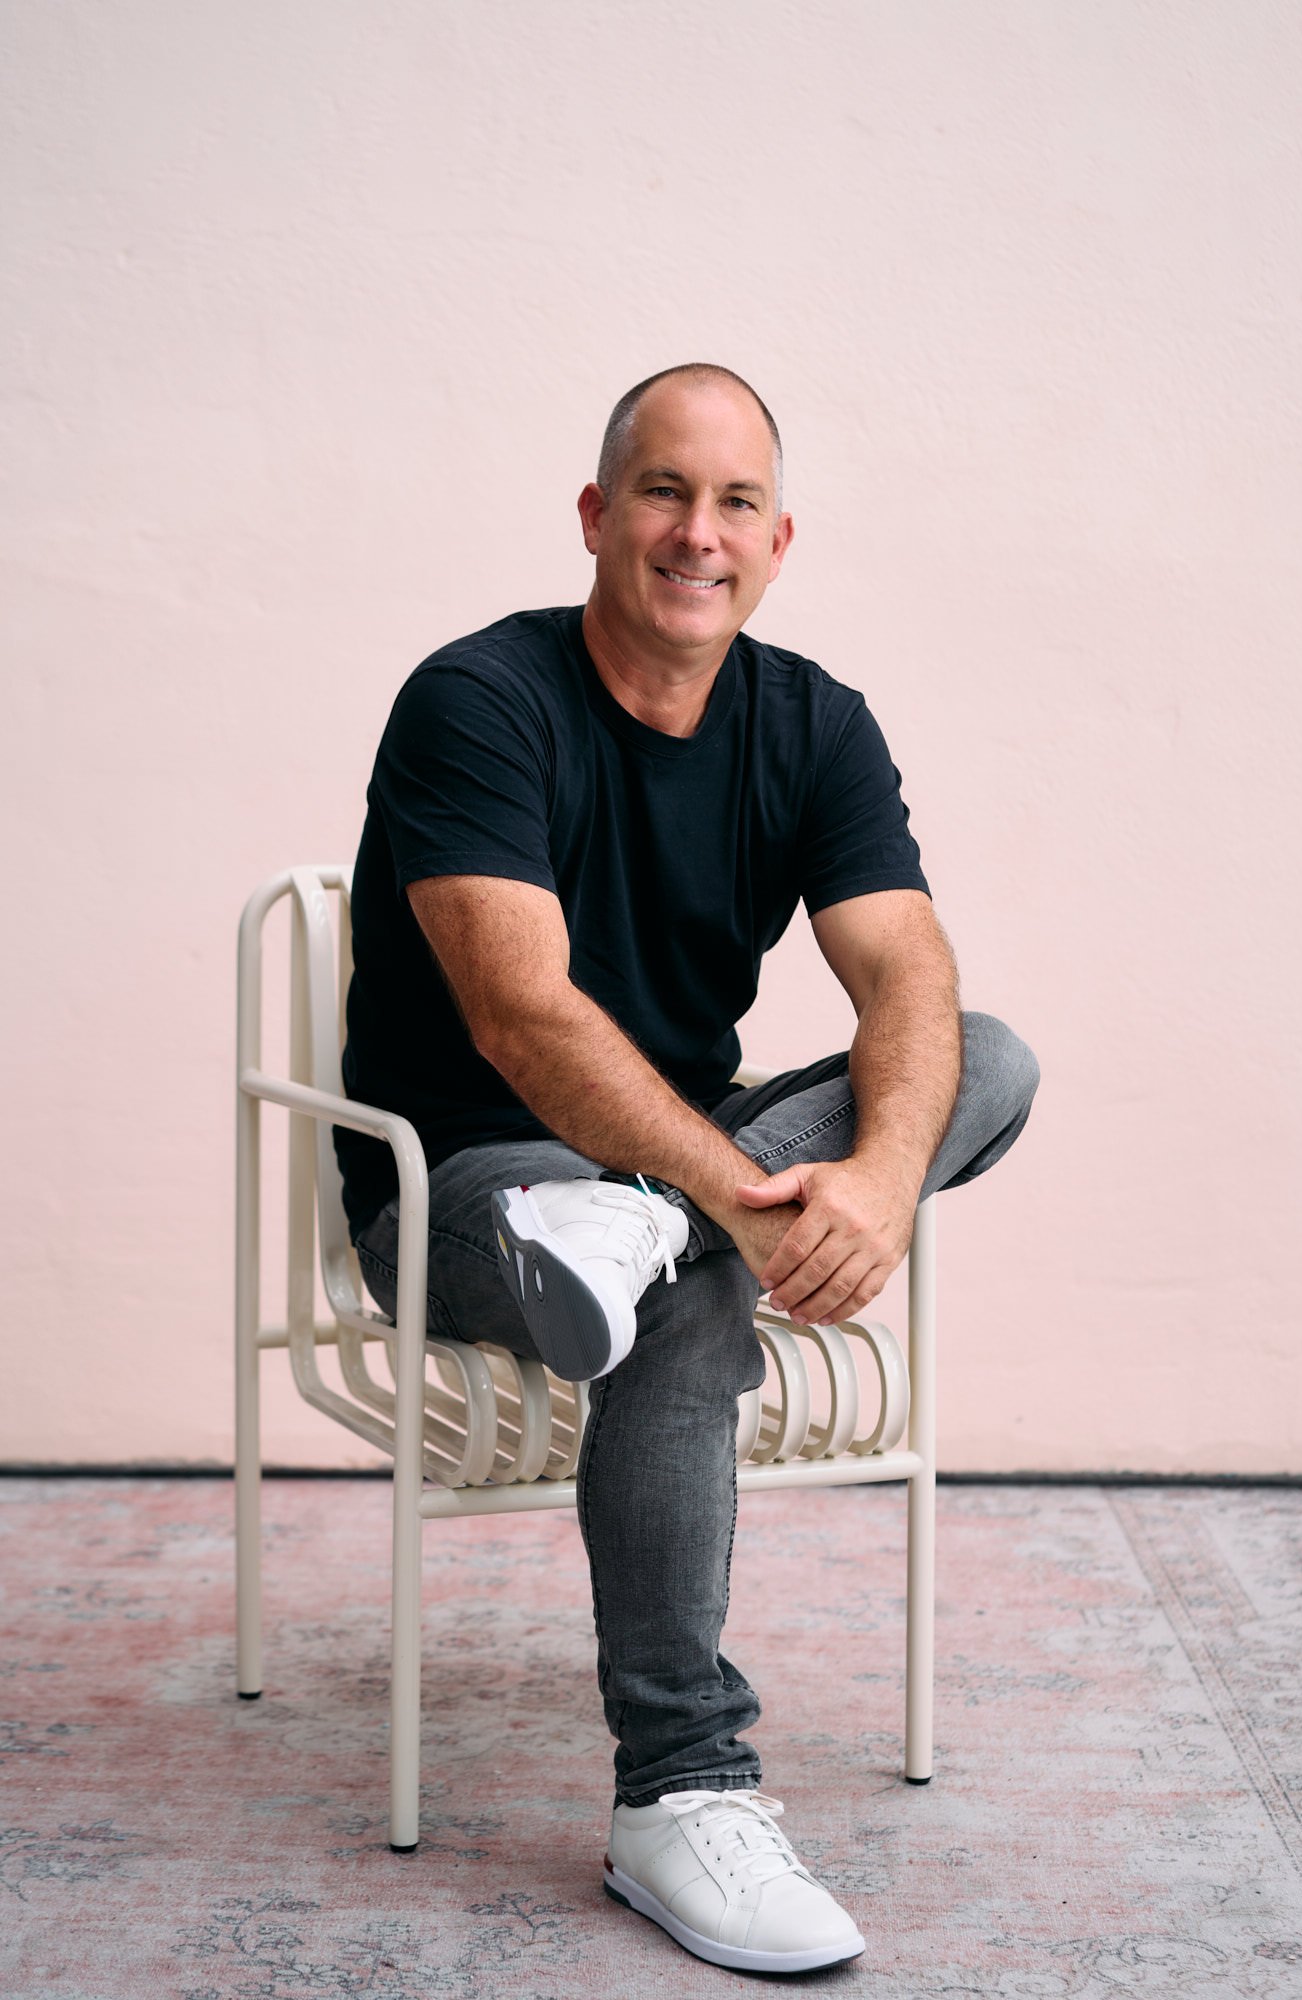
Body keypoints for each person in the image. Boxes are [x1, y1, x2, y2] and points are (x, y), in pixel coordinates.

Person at [334, 362, 1039, 1976]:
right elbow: (519, 1015)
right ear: (597, 514)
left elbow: (906, 976)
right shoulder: (476, 699)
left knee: (983, 1056)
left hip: (652, 1175)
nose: (695, 534)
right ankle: (678, 1788)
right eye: (662, 491)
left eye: (734, 504)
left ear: (778, 542)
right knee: (686, 1283)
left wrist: (869, 1179)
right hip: (463, 1190)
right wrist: (737, 1191)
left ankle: (643, 1226)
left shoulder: (811, 723)